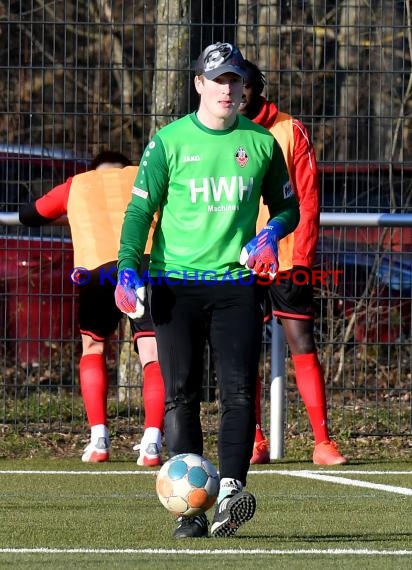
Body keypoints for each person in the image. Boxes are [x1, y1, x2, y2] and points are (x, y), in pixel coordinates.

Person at [115, 42, 299, 539]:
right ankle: (190, 510)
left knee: (240, 393)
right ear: (198, 84)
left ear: (245, 87)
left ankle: (231, 495)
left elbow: (288, 208)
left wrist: (271, 232)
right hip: (174, 284)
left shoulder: (261, 143)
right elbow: (138, 213)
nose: (227, 88)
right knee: (181, 396)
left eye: (235, 80)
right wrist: (127, 269)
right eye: (217, 80)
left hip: (236, 286)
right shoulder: (168, 142)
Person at [18, 151, 165, 466]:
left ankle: (99, 439)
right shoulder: (142, 175)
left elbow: (30, 215)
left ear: (94, 170)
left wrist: (73, 213)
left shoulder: (79, 184)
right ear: (125, 167)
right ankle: (152, 441)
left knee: (94, 347)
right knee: (153, 354)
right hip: (146, 264)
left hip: (97, 269)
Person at [238, 60, 347, 466]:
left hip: (285, 259)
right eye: (229, 83)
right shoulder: (220, 129)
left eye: (244, 84)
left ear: (257, 87)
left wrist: (302, 256)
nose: (237, 92)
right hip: (238, 261)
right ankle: (255, 440)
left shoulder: (289, 129)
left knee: (302, 341)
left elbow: (308, 199)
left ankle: (322, 441)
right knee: (242, 348)